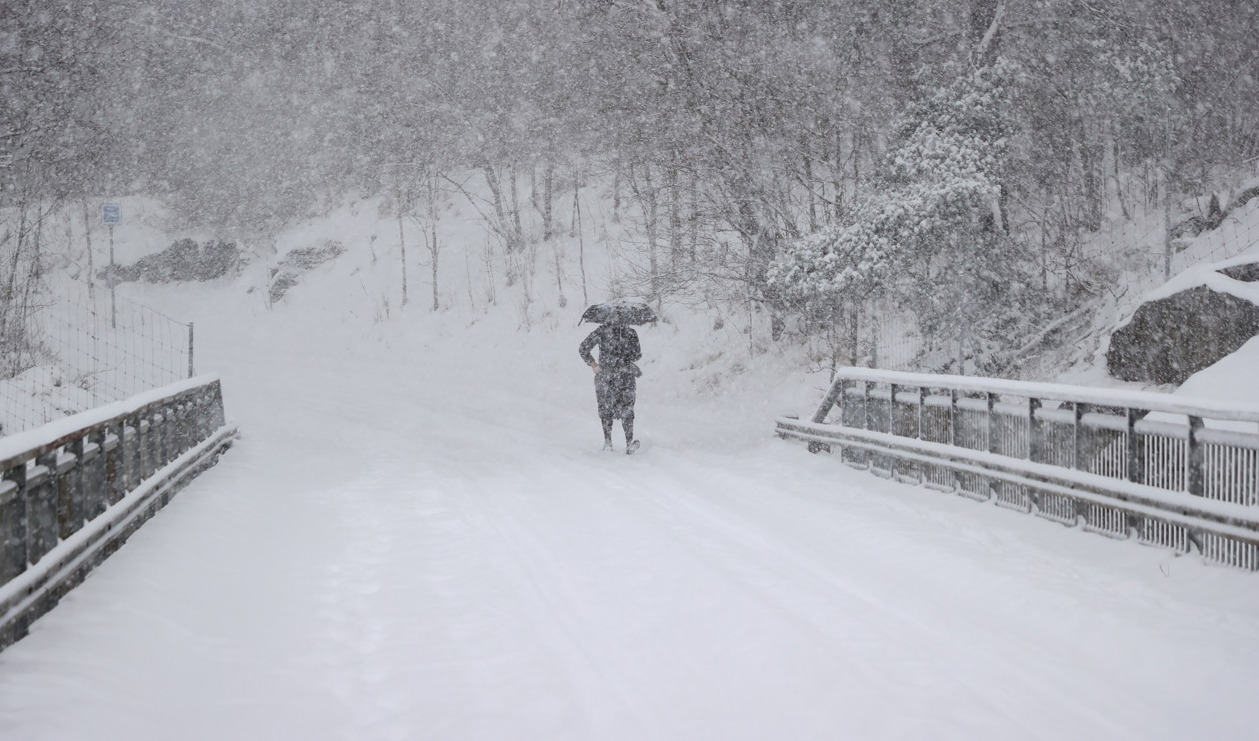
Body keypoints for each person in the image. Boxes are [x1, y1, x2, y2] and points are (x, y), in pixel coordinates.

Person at [578, 322, 642, 453]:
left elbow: (584, 348)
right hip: (618, 375)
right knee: (621, 408)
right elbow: (637, 355)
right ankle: (619, 442)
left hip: (614, 376)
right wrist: (594, 364)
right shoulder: (625, 332)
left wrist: (595, 364)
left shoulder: (610, 331)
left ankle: (616, 442)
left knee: (614, 408)